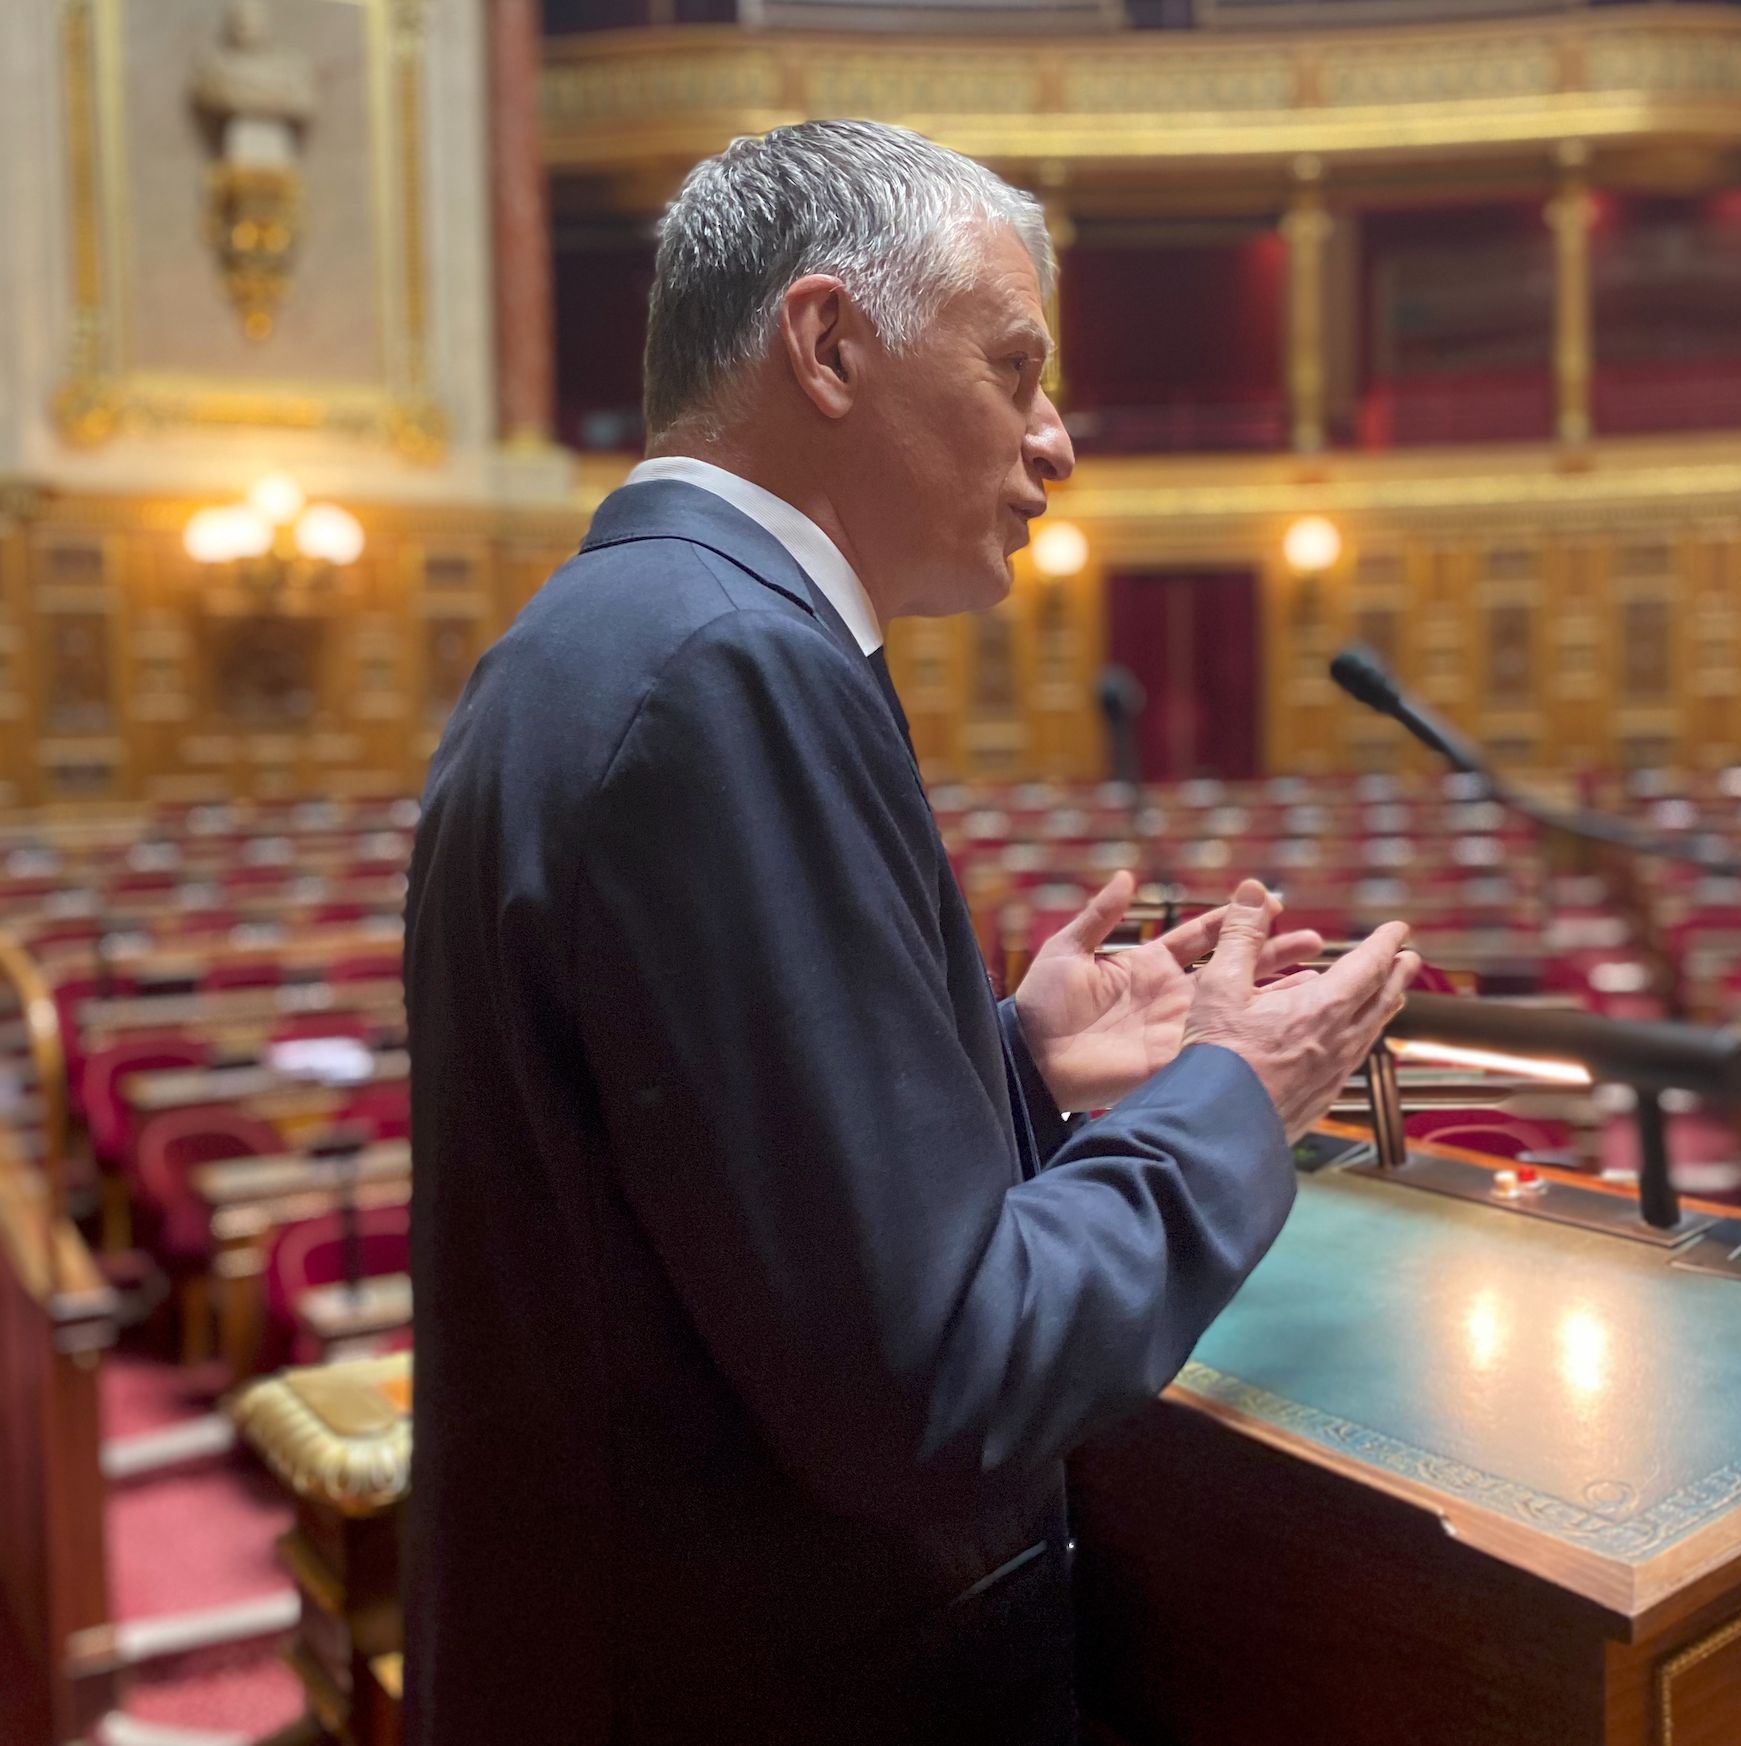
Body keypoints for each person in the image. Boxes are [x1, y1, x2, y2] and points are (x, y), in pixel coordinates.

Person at [402, 118, 1418, 1746]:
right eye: (1015, 370)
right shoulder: (728, 669)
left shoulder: (599, 635)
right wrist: (1229, 1091)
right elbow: (939, 1387)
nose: (1057, 440)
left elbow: (708, 1212)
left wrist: (1007, 1064)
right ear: (826, 345)